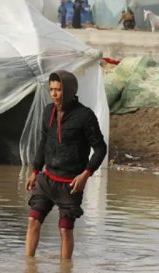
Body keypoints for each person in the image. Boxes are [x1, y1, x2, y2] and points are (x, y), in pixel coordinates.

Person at [25, 71, 107, 260]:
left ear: (69, 90)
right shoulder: (47, 111)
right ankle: (28, 272)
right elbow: (43, 143)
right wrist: (35, 171)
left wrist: (85, 175)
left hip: (71, 184)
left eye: (58, 90)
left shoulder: (85, 116)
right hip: (46, 180)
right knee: (33, 220)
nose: (54, 94)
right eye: (51, 89)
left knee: (65, 230)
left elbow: (100, 148)